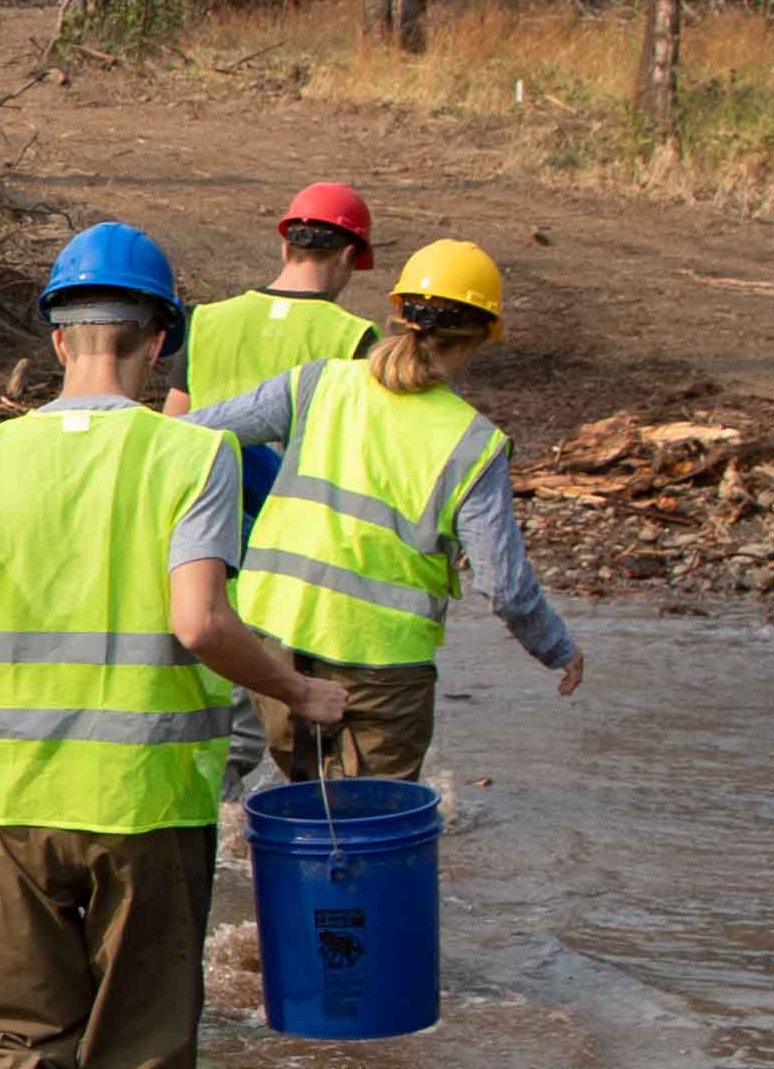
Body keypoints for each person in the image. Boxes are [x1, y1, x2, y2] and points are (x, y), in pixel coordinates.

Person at [0, 226, 348, 1069]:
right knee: (140, 1030)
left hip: (6, 794)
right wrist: (299, 689)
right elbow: (200, 623)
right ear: (160, 340)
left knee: (3, 1027)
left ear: (54, 341)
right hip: (146, 799)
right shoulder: (192, 453)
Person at [188, 238, 585, 781]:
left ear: (397, 315)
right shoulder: (473, 443)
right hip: (383, 667)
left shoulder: (319, 384)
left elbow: (196, 434)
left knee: (302, 807)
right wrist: (557, 648)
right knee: (371, 830)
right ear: (478, 338)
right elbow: (505, 587)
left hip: (276, 645)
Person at [184, 183, 385, 412]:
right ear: (347, 255)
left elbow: (173, 423)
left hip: (214, 449)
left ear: (286, 249)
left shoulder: (205, 321)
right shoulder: (354, 336)